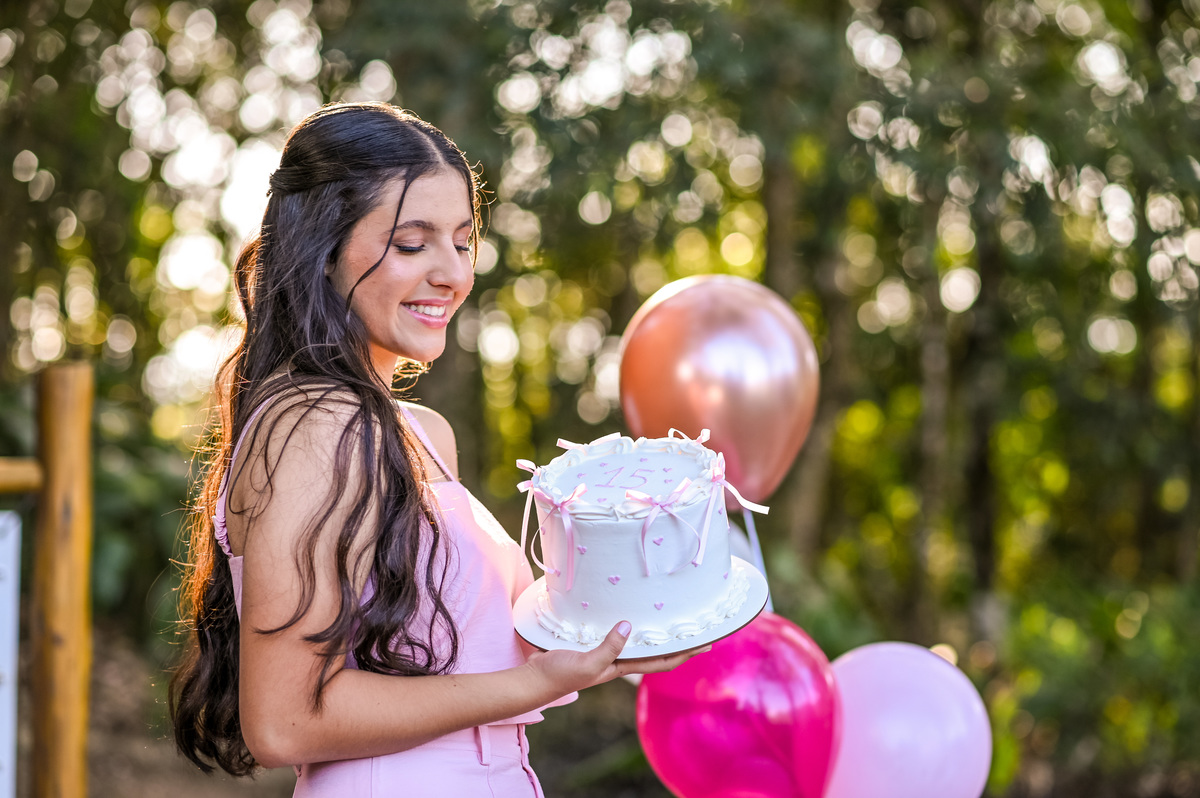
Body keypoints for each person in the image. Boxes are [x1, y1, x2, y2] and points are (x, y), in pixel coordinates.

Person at [169, 102, 702, 797]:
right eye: (412, 243)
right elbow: (284, 722)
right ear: (323, 250)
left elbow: (458, 648)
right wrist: (527, 686)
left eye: (461, 239)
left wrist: (637, 589)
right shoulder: (315, 421)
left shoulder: (419, 431)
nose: (453, 273)